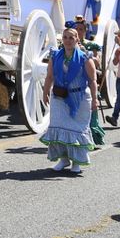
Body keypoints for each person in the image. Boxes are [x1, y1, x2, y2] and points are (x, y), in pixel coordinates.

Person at [40, 26, 99, 173]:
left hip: (79, 98)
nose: (67, 41)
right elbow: (49, 76)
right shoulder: (55, 56)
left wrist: (95, 100)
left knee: (77, 129)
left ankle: (77, 162)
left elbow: (92, 80)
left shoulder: (85, 57)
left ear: (77, 39)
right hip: (59, 97)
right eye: (65, 37)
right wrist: (45, 91)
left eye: (71, 38)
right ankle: (64, 160)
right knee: (59, 126)